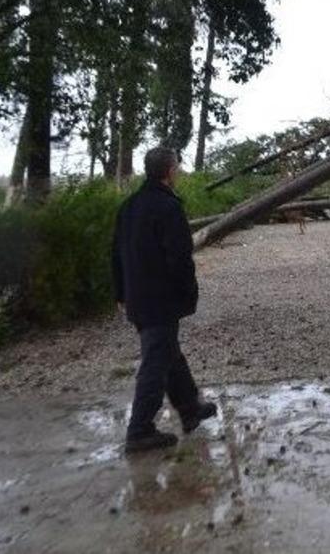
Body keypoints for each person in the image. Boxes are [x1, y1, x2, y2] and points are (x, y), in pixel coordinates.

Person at [113, 147, 217, 453]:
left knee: (168, 352)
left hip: (137, 297)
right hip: (160, 298)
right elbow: (180, 258)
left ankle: (190, 408)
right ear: (170, 171)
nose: (180, 172)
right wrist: (188, 292)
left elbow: (115, 254)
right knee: (156, 361)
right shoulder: (168, 208)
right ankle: (140, 430)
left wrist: (120, 292)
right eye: (178, 167)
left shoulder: (129, 206)